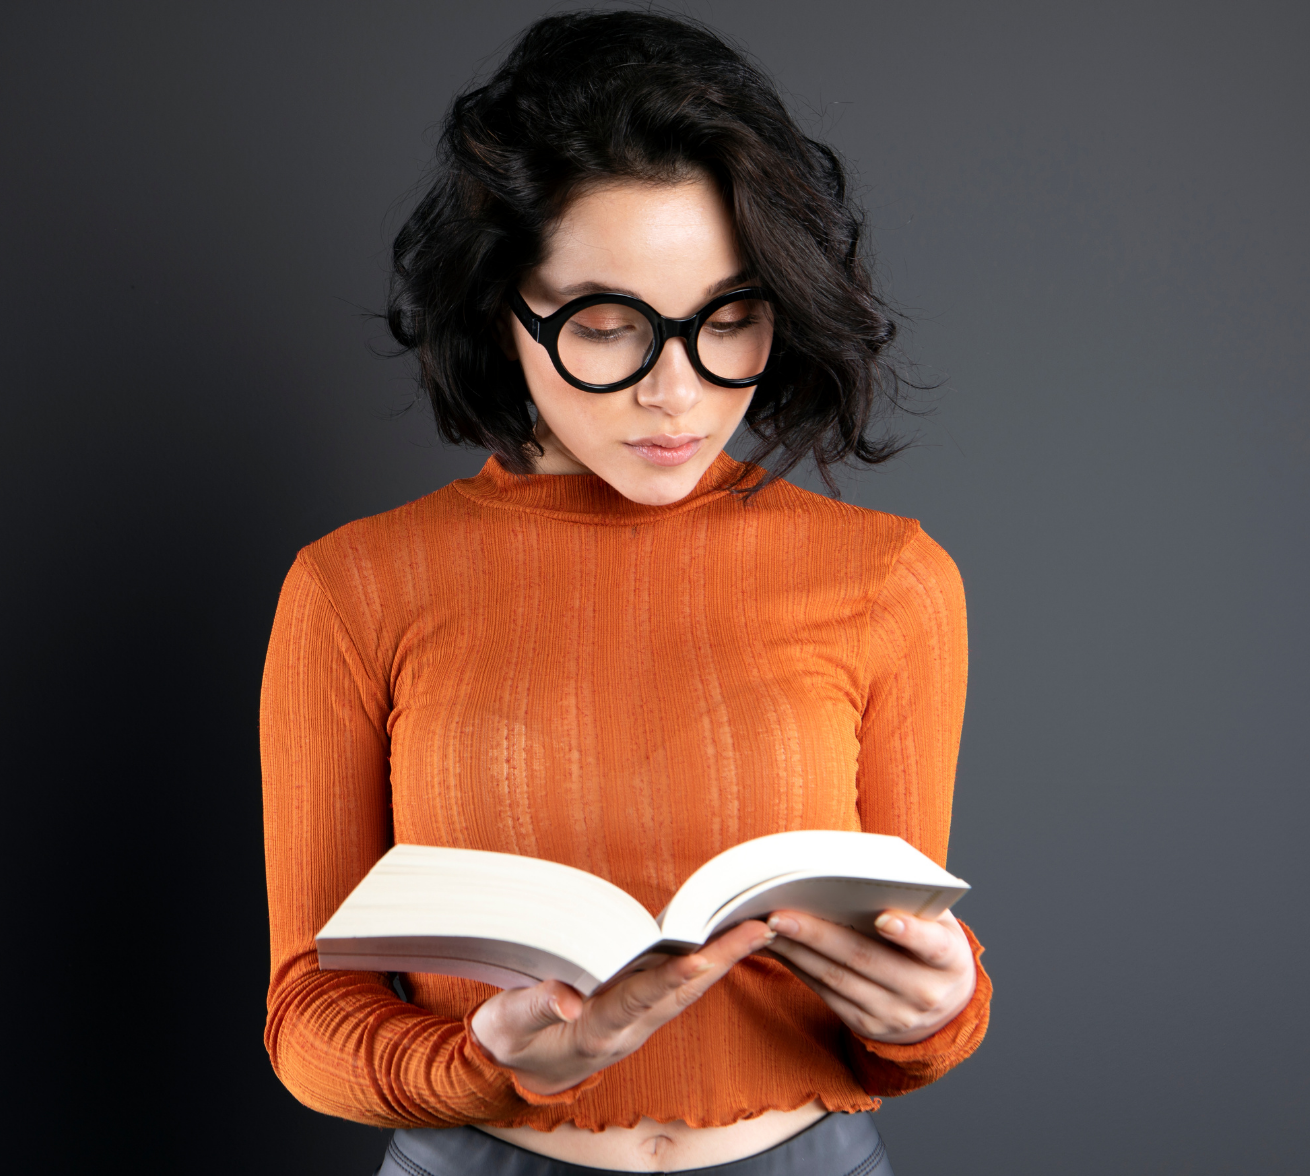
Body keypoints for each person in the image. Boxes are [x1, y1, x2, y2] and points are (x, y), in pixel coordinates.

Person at [260, 11, 991, 1174]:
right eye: (606, 327)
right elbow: (306, 1018)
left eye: (728, 320)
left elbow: (898, 991)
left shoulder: (889, 578)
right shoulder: (354, 588)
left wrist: (936, 1014)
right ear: (501, 307)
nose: (676, 392)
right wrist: (483, 1065)